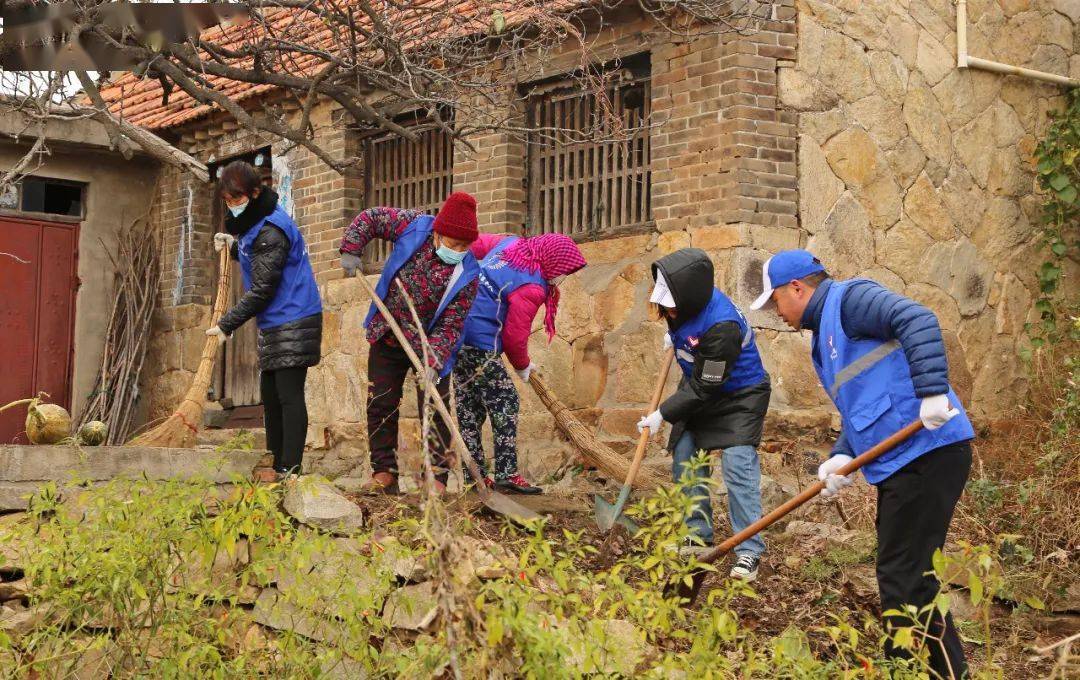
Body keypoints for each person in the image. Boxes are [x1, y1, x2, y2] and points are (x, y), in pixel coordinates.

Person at [749, 249, 974, 678]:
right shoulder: (827, 335)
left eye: (775, 299)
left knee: (904, 581)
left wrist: (931, 392)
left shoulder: (851, 301)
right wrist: (841, 455)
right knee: (907, 579)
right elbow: (866, 406)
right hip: (906, 460)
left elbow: (919, 319)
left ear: (797, 287)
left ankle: (915, 672)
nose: (776, 312)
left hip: (929, 450)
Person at [638, 248, 771, 581]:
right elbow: (692, 352)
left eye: (670, 304)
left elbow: (704, 389)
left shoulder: (722, 326)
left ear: (687, 296)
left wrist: (662, 414)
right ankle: (697, 535)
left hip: (740, 396)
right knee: (684, 455)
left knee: (738, 464)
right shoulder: (686, 305)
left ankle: (749, 551)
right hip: (702, 387)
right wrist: (676, 339)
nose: (666, 309)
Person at [339, 192, 481, 494]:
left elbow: (452, 324)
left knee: (435, 405)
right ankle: (384, 473)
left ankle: (436, 479)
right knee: (381, 403)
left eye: (464, 246)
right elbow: (372, 217)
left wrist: (433, 361)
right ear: (439, 233)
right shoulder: (415, 227)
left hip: (429, 344)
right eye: (453, 244)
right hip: (388, 332)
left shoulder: (468, 273)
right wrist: (352, 247)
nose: (458, 250)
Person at [207, 160, 323, 482]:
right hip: (276, 321)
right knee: (270, 398)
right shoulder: (254, 224)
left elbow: (262, 289)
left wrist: (227, 324)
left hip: (294, 316)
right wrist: (233, 247)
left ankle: (291, 469)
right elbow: (256, 256)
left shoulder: (271, 228)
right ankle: (275, 464)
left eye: (238, 200)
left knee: (288, 394)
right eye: (228, 202)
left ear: (255, 193)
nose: (233, 207)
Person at [453, 232, 587, 494]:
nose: (562, 277)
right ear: (553, 261)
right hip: (481, 339)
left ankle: (474, 477)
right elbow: (514, 336)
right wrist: (523, 366)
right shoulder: (532, 286)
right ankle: (506, 473)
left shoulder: (511, 244)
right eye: (564, 271)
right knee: (506, 400)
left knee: (470, 406)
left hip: (455, 329)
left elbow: (473, 243)